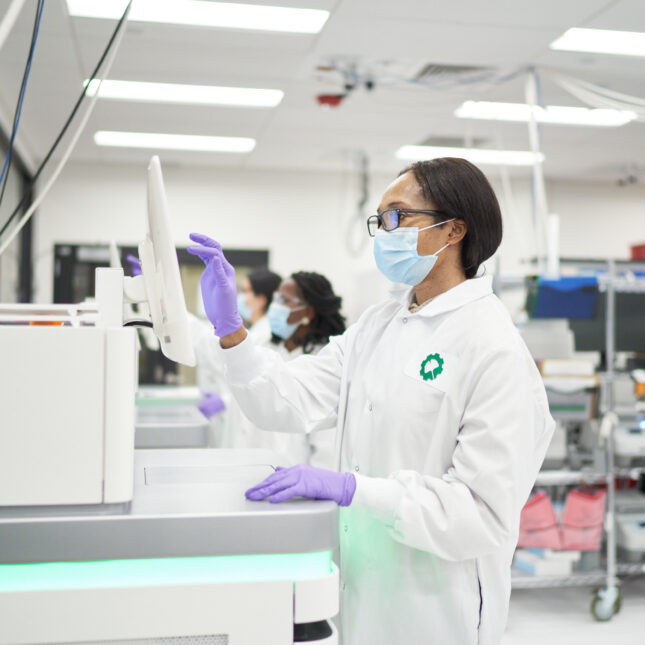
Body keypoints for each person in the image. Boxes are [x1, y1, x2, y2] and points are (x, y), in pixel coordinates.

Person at [187, 157, 555, 645]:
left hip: (438, 609)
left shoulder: (493, 347)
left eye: (398, 216)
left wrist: (352, 490)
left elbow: (481, 515)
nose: (383, 231)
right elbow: (284, 401)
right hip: (362, 588)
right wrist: (231, 330)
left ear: (454, 230)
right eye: (379, 219)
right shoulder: (378, 325)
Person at [236, 271, 345, 465]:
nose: (275, 306)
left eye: (284, 300)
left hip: (296, 480)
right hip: (253, 464)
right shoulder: (264, 344)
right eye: (276, 298)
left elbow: (326, 447)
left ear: (308, 312)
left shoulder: (325, 359)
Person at [237, 268, 282, 345]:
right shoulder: (260, 329)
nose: (241, 296)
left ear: (261, 300)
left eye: (245, 291)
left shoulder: (262, 335)